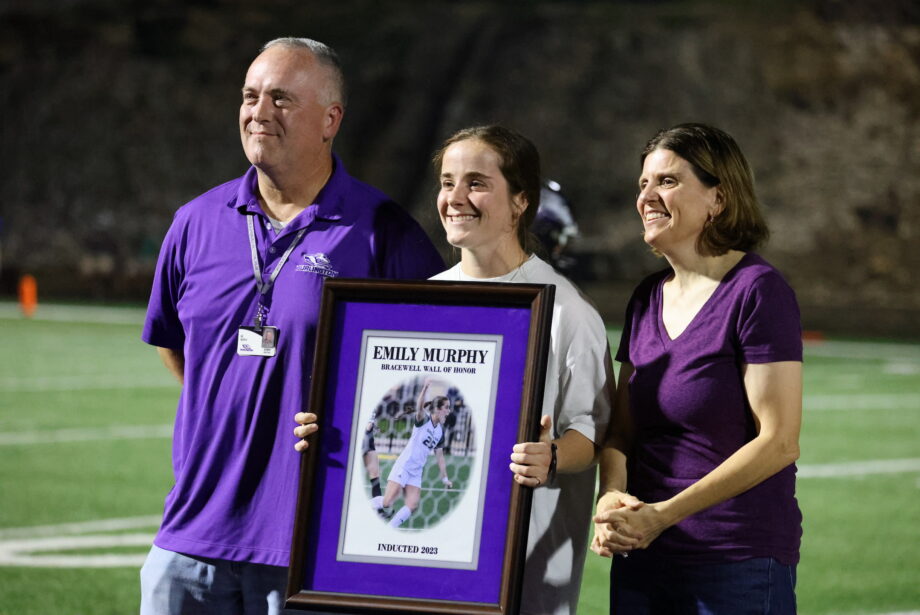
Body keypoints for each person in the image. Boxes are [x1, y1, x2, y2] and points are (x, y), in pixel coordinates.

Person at [140, 37, 443, 614]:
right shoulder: (194, 222)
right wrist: (232, 402)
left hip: (315, 546)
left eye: (281, 99)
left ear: (331, 120)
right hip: (188, 537)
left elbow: (432, 375)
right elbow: (175, 345)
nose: (259, 112)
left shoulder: (385, 233)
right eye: (251, 96)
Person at [592, 123, 803, 614]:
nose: (647, 196)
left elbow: (779, 441)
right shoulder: (646, 298)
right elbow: (623, 432)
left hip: (734, 562)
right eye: (642, 184)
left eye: (667, 181)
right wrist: (611, 499)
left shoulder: (758, 291)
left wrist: (664, 515)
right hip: (644, 557)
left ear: (719, 199)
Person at [430, 125, 613, 615]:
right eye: (448, 182)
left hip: (524, 577)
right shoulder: (422, 302)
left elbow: (594, 435)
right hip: (429, 565)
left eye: (477, 183)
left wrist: (550, 455)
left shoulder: (568, 311)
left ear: (519, 202)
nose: (456, 197)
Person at [371, 379, 453, 527]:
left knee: (412, 505)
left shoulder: (440, 432)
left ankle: (390, 529)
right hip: (405, 465)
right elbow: (419, 406)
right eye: (446, 407)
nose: (448, 411)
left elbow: (440, 457)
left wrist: (445, 478)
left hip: (416, 471)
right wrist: (425, 388)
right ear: (438, 408)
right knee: (387, 502)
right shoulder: (424, 420)